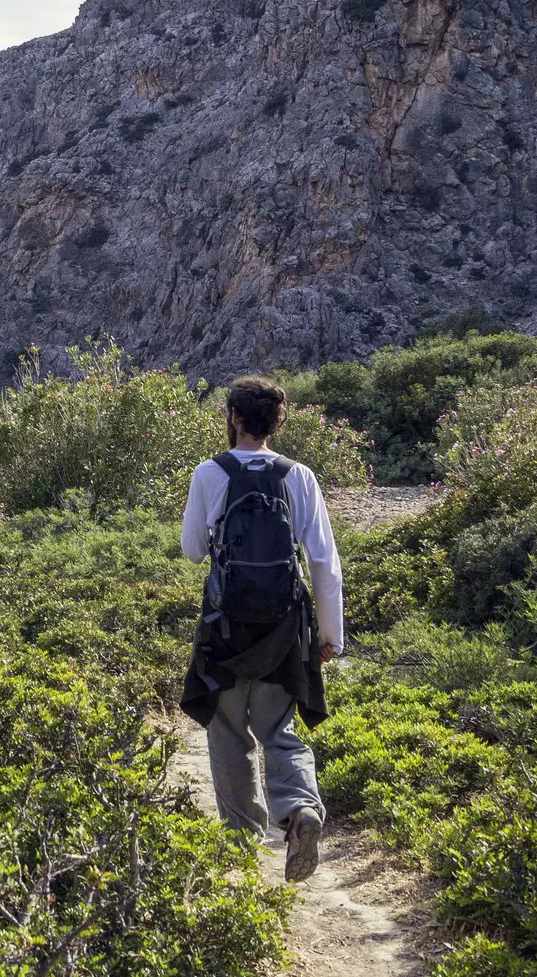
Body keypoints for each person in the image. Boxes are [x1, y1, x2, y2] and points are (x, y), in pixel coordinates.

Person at [178, 374, 344, 883]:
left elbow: (193, 550)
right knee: (279, 728)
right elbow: (323, 561)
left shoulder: (210, 473)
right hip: (282, 629)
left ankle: (241, 849)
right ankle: (298, 809)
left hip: (226, 628)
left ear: (232, 416)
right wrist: (330, 634)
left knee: (227, 732)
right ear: (278, 420)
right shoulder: (299, 477)